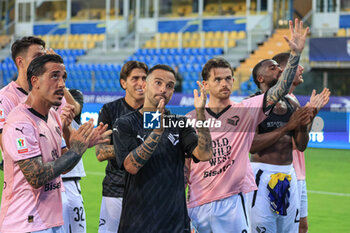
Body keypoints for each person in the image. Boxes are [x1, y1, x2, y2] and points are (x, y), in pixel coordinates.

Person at [185, 19, 308, 233]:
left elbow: (279, 90)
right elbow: (184, 166)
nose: (224, 84)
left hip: (233, 201)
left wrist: (295, 55)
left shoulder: (246, 110)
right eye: (217, 80)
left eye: (228, 78)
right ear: (205, 84)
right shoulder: (190, 119)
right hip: (197, 203)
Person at [0, 54, 110, 232]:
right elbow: (36, 177)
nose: (62, 84)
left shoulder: (53, 117)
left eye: (63, 77)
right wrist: (76, 150)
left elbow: (59, 165)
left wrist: (80, 147)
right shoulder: (20, 122)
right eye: (54, 76)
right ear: (35, 81)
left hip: (50, 220)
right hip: (25, 223)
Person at [113, 64, 213, 233]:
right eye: (158, 83)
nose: (164, 89)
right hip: (137, 221)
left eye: (169, 86)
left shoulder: (179, 123)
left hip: (174, 222)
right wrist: (158, 131)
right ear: (144, 85)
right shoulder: (125, 123)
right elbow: (131, 166)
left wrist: (201, 113)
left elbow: (204, 154)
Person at [248, 53, 330, 232]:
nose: (279, 70)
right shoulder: (251, 103)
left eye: (279, 67)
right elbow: (252, 145)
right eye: (273, 67)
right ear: (260, 78)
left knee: (290, 230)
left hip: (289, 174)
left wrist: (307, 120)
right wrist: (287, 127)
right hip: (261, 175)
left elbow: (300, 145)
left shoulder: (291, 103)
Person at [0, 36, 80, 166]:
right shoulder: (5, 98)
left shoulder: (51, 96)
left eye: (44, 56)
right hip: (28, 176)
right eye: (37, 56)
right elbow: (7, 147)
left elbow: (66, 140)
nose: (43, 61)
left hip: (57, 173)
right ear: (20, 62)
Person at [96, 60, 148, 233]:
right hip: (116, 190)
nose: (141, 83)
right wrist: (137, 150)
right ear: (123, 82)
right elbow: (100, 152)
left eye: (144, 78)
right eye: (135, 78)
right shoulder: (110, 110)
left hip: (147, 191)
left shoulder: (155, 112)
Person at [61, 88, 87, 233]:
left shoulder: (73, 94)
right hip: (48, 181)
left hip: (70, 179)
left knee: (77, 229)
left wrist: (61, 86)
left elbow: (75, 109)